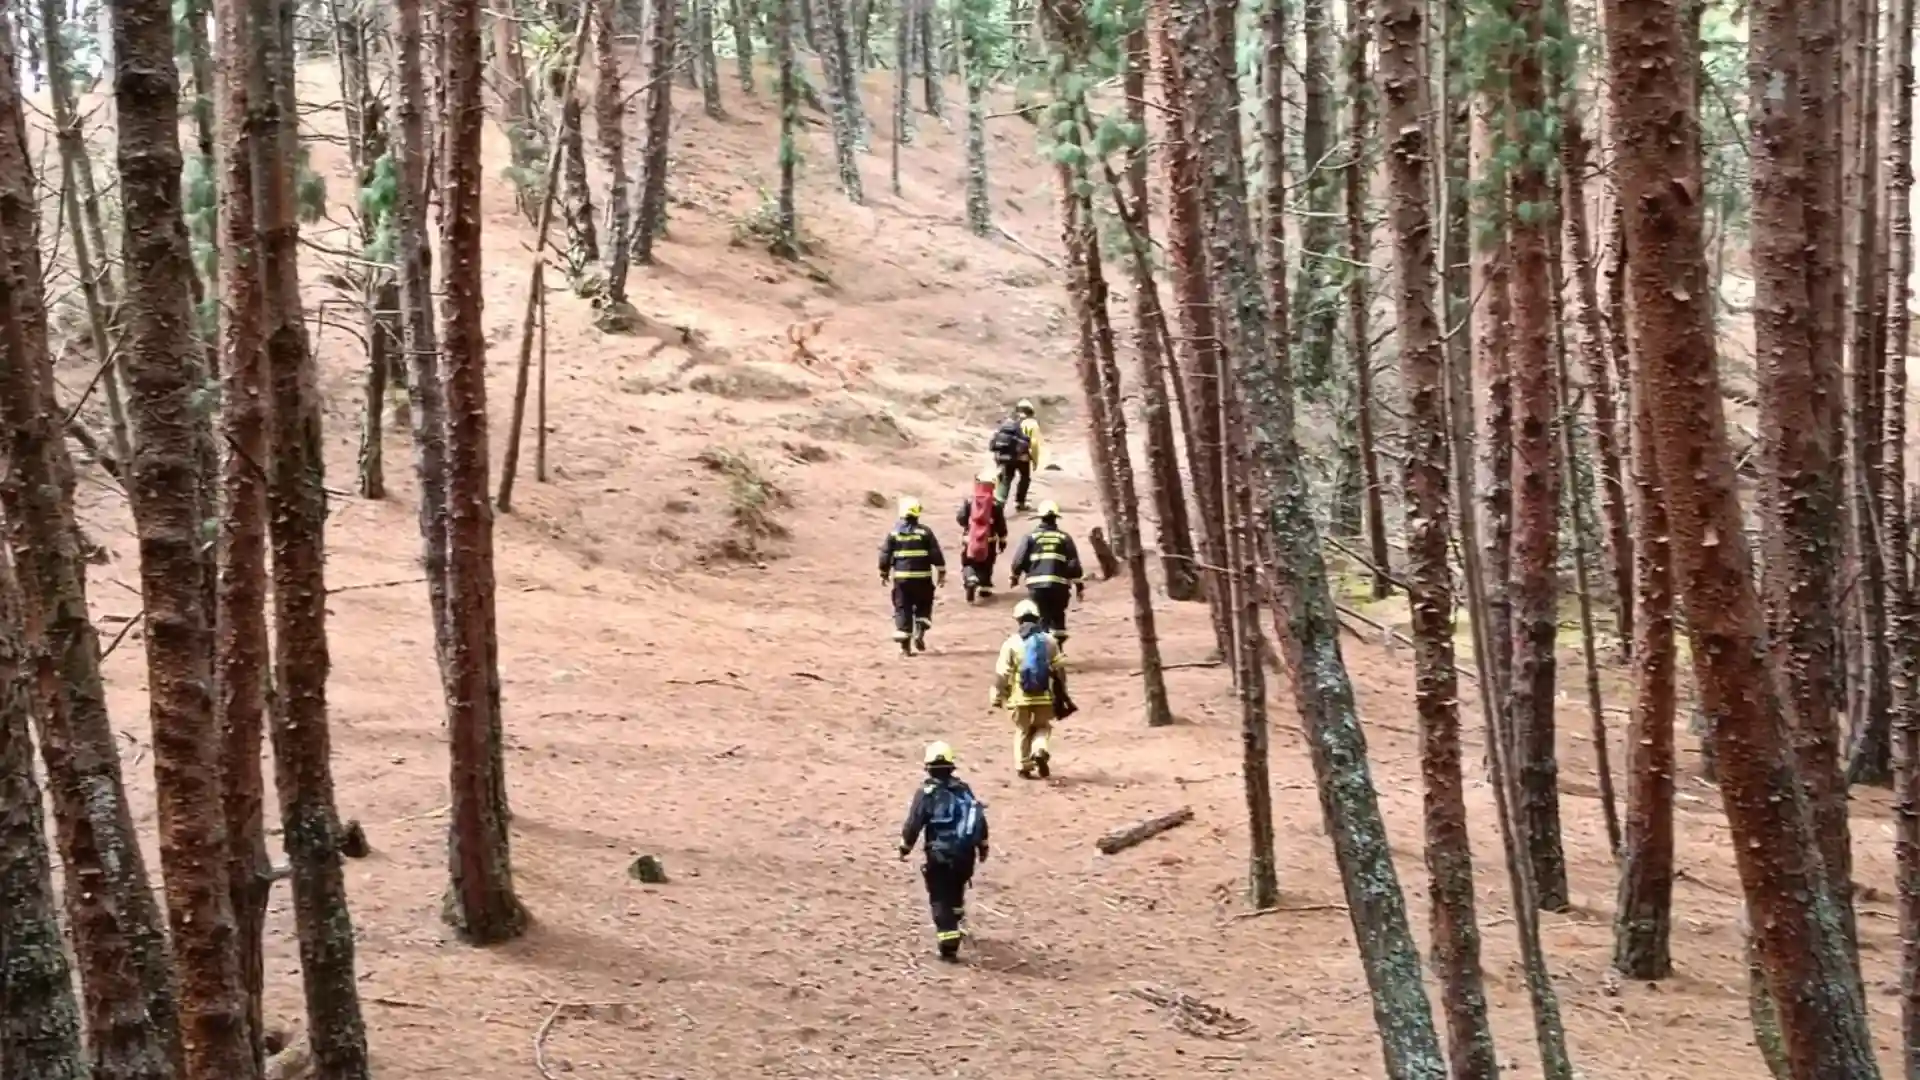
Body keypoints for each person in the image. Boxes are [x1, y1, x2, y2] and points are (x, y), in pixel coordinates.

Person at [898, 741, 989, 961]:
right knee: (956, 889)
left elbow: (914, 822)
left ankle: (949, 944)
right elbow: (978, 818)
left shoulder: (927, 792)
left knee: (939, 898)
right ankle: (958, 919)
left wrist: (905, 846)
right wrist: (983, 845)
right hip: (965, 854)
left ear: (928, 767)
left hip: (939, 854)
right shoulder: (963, 789)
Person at [990, 600, 1072, 779]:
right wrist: (1062, 692)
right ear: (1038, 618)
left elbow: (1002, 673)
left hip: (1019, 697)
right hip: (1044, 695)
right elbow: (1059, 669)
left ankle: (1023, 765)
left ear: (1018, 620)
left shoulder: (1011, 643)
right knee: (1042, 727)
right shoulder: (1050, 641)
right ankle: (1040, 749)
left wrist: (997, 695)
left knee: (1023, 729)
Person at [1008, 500, 1084, 648]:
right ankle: (1058, 647)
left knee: (1041, 617)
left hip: (1037, 587)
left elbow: (1019, 559)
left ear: (1040, 517)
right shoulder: (1065, 538)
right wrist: (1079, 585)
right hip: (1059, 586)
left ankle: (1042, 650)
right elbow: (1073, 563)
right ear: (1056, 518)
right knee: (1058, 615)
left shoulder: (1030, 537)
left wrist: (1015, 576)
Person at [878, 498, 946, 655]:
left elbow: (885, 554)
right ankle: (920, 631)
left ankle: (905, 648)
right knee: (924, 604)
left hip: (902, 579)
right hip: (923, 578)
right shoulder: (925, 532)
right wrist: (941, 571)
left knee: (903, 607)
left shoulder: (894, 533)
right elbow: (935, 553)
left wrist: (884, 572)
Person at [954, 470, 1008, 603]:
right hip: (989, 540)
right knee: (987, 563)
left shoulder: (969, 502)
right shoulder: (996, 504)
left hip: (970, 539)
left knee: (968, 562)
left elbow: (961, 519)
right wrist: (1002, 539)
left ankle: (970, 578)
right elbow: (1001, 525)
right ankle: (984, 587)